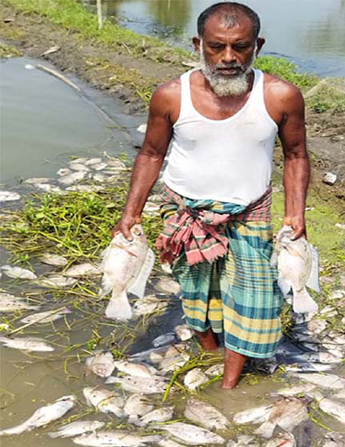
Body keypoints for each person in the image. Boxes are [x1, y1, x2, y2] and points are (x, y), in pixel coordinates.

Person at [112, 2, 310, 389]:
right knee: (197, 290)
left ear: (258, 45)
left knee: (252, 296)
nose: (229, 58)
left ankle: (228, 384)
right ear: (198, 44)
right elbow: (151, 154)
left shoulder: (280, 96)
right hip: (187, 212)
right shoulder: (171, 96)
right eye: (216, 47)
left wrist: (296, 213)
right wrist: (131, 212)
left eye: (241, 47)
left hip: (250, 211)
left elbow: (297, 155)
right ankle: (208, 348)